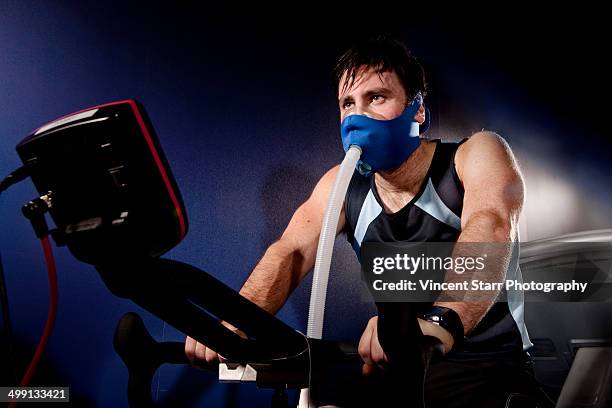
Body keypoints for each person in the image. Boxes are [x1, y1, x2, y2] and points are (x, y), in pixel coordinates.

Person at [185, 34, 552, 407]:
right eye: (348, 103)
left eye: (376, 98)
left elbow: (490, 225)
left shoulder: (473, 155)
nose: (358, 115)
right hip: (400, 373)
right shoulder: (340, 186)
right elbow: (290, 251)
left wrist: (438, 325)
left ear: (417, 110)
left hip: (486, 370)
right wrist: (234, 322)